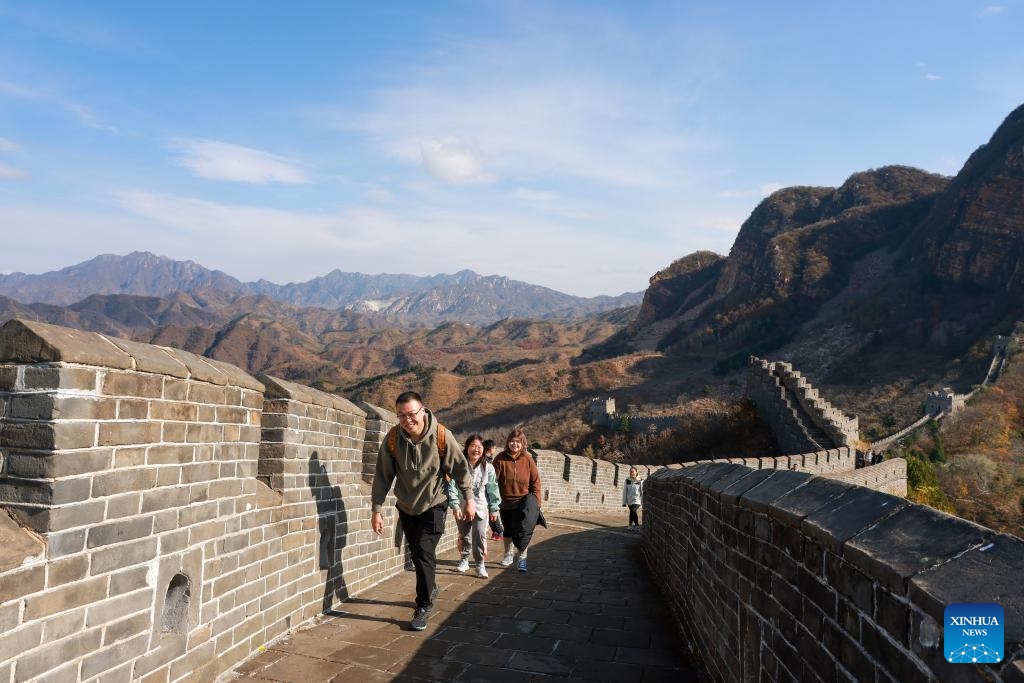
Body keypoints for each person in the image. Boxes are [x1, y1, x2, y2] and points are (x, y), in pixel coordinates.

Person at [371, 391, 474, 631]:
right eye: (402, 415)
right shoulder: (393, 439)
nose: (408, 420)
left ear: (423, 410)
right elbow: (382, 477)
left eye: (412, 414)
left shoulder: (441, 436)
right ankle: (431, 587)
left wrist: (469, 498)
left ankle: (424, 605)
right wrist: (376, 509)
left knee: (423, 551)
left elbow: (460, 469)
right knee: (417, 555)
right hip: (407, 507)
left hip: (435, 504)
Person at [447, 434, 502, 578]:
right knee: (464, 535)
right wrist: (455, 505)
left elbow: (492, 489)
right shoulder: (459, 465)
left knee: (480, 536)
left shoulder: (488, 468)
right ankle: (464, 560)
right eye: (473, 446)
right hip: (462, 506)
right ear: (467, 448)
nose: (476, 450)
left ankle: (480, 564)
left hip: (481, 507)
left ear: (483, 449)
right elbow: (452, 486)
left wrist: (494, 508)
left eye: (479, 447)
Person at [492, 427, 544, 573]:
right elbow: (492, 482)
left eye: (518, 442)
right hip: (505, 503)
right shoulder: (500, 458)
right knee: (508, 531)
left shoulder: (527, 458)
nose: (515, 444)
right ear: (508, 442)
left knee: (522, 531)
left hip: (523, 503)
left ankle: (522, 558)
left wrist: (537, 503)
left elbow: (535, 481)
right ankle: (508, 554)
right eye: (512, 441)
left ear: (523, 444)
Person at [482, 439, 504, 541]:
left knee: (492, 513)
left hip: (488, 490)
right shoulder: (484, 459)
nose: (495, 449)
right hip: (484, 491)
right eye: (494, 448)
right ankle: (498, 531)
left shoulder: (488, 459)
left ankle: (498, 531)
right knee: (491, 513)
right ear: (490, 448)